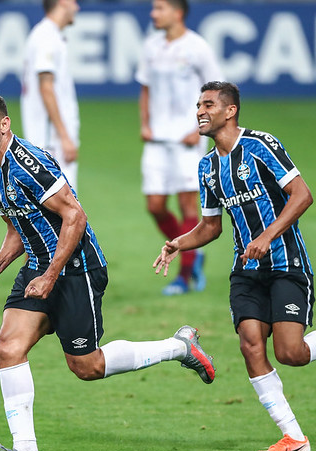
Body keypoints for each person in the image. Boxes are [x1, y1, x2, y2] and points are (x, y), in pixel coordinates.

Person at [0, 91, 216, 451]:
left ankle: (179, 347)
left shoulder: (28, 165)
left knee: (87, 366)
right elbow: (18, 226)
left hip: (77, 268)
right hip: (39, 267)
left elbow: (75, 217)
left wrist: (52, 275)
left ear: (4, 124)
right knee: (7, 348)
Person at [153, 81, 316, 451]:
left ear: (230, 111)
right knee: (250, 345)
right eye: (198, 105)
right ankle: (293, 436)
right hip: (245, 270)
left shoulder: (261, 146)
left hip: (285, 263)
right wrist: (178, 243)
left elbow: (302, 194)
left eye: (209, 104)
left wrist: (267, 236)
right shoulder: (207, 167)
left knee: (290, 353)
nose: (200, 111)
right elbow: (212, 226)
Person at [136, 0, 223, 296]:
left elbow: (217, 92)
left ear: (178, 12)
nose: (153, 13)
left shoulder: (197, 47)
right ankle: (193, 252)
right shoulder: (151, 47)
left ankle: (184, 275)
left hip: (188, 139)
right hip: (157, 139)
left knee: (188, 205)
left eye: (159, 8)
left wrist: (198, 128)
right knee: (155, 205)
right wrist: (145, 123)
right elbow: (145, 88)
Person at [21, 0, 81, 191]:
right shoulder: (47, 37)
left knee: (58, 208)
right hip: (50, 139)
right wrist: (64, 136)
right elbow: (46, 87)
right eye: (74, 2)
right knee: (66, 208)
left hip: (49, 137)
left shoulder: (47, 35)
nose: (77, 7)